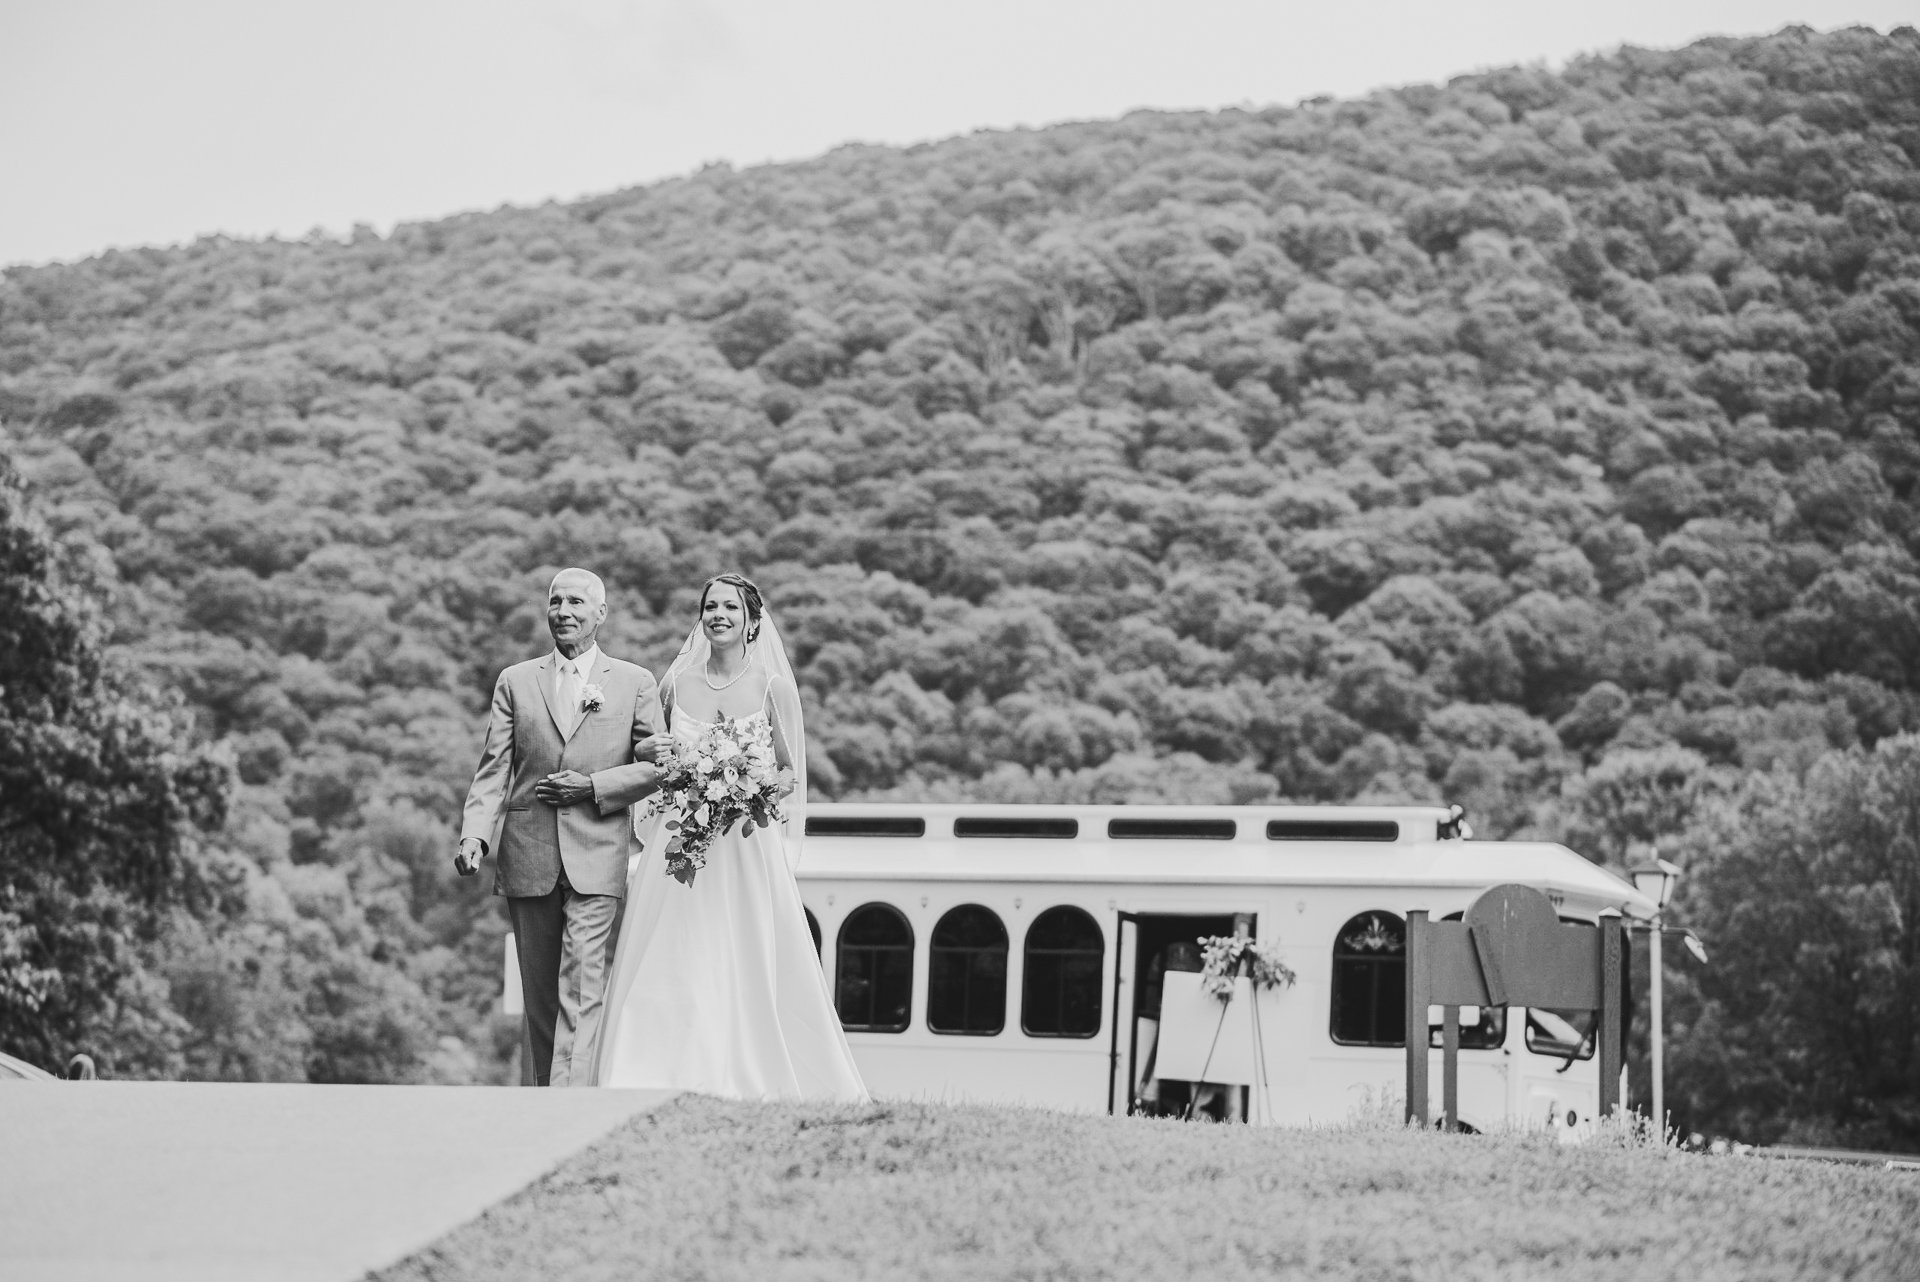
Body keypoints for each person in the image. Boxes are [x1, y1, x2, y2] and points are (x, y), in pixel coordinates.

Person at [595, 574, 867, 1101]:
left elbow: (791, 772)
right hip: (684, 843)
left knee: (743, 952)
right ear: (701, 618)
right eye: (710, 606)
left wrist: (754, 792)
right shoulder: (674, 686)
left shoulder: (774, 688)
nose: (718, 614)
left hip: (745, 846)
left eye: (730, 607)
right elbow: (658, 759)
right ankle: (648, 1065)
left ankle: (748, 1065)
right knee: (672, 951)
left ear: (752, 621)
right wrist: (688, 778)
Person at [456, 568, 662, 1086]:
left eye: (575, 602)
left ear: (600, 614)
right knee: (540, 993)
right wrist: (475, 834)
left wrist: (592, 787)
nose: (563, 611)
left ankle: (570, 1101)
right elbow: (494, 768)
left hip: (598, 850)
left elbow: (660, 766)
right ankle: (545, 1099)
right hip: (528, 852)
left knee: (583, 981)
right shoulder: (514, 680)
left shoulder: (635, 682)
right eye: (555, 601)